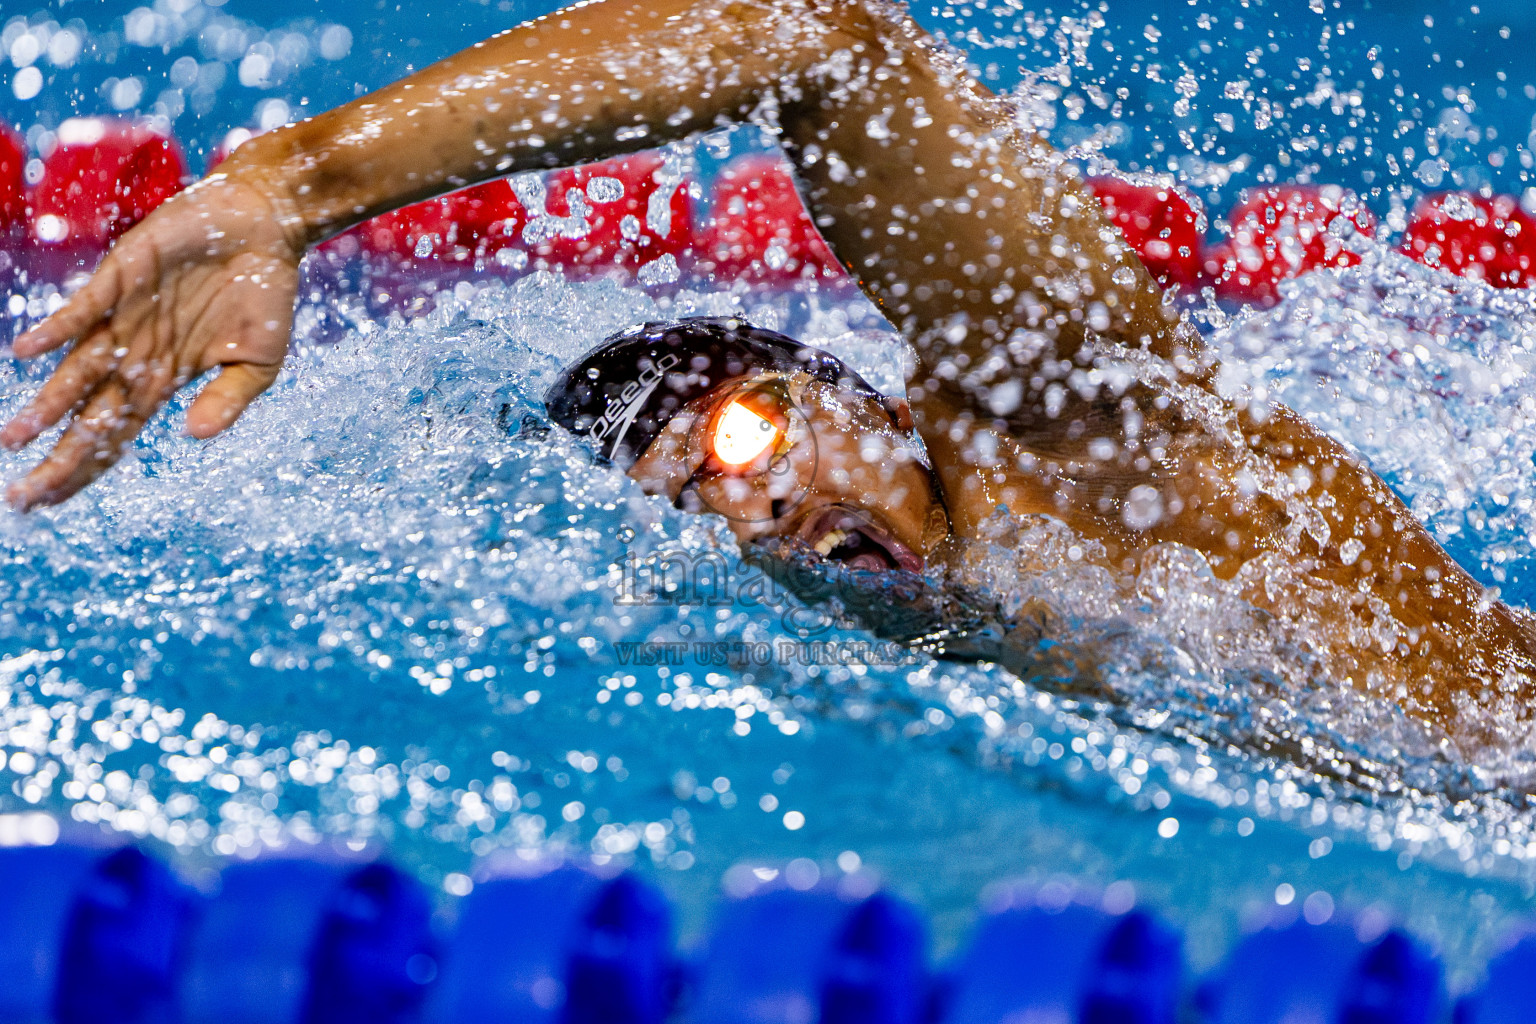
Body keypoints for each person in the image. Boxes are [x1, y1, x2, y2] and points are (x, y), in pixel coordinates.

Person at [2, 0, 1532, 748]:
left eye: (750, 435)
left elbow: (818, 37)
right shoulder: (947, 676)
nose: (762, 511)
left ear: (860, 391)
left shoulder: (1064, 429)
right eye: (702, 507)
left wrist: (294, 183)